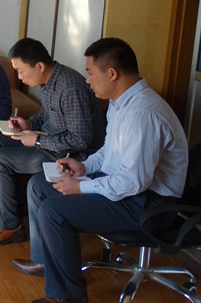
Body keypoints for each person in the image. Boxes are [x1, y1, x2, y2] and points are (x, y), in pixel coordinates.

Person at [12, 38, 188, 303]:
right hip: (127, 187)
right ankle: (47, 262)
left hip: (149, 204)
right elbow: (109, 150)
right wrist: (84, 167)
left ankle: (68, 297)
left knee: (54, 211)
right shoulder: (120, 103)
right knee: (39, 186)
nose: (88, 80)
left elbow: (133, 182)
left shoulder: (143, 113)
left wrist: (81, 186)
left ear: (112, 73)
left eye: (91, 73)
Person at [0, 38, 105, 246]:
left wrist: (38, 140)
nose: (19, 77)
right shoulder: (48, 82)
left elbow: (81, 140)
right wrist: (28, 124)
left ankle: (9, 227)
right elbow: (46, 116)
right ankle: (16, 202)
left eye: (20, 71)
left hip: (69, 154)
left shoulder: (70, 88)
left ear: (39, 66)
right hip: (50, 141)